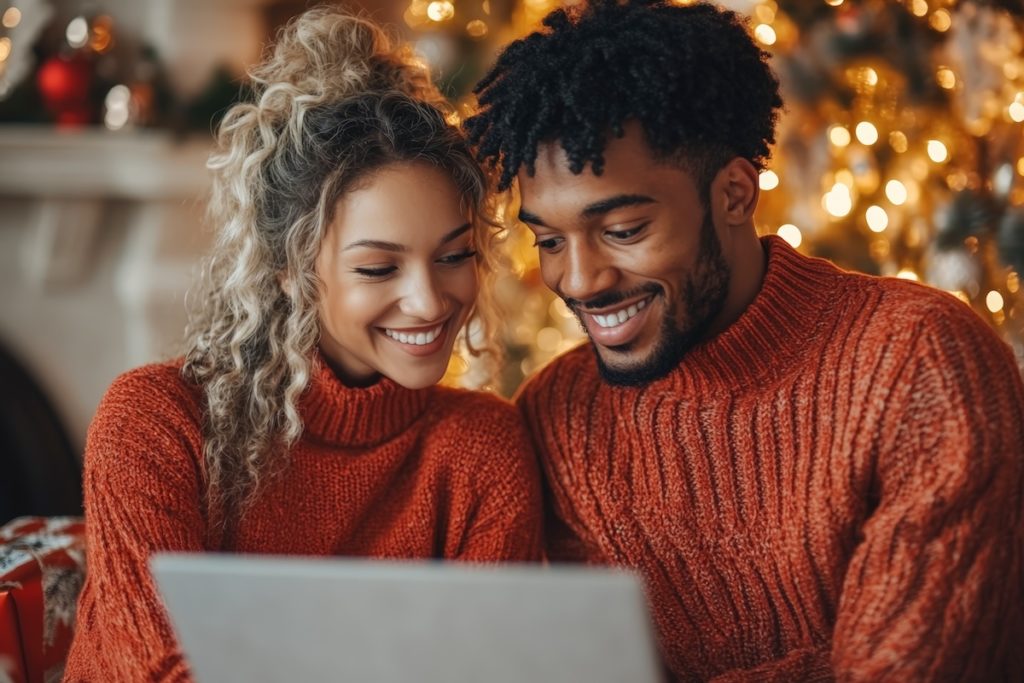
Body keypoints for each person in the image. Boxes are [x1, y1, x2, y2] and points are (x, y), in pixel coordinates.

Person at [465, 0, 1024, 680]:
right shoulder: (559, 420)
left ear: (734, 193)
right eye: (548, 240)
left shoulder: (921, 361)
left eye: (623, 231)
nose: (578, 279)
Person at [64, 8, 542, 682]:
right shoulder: (156, 421)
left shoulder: (480, 450)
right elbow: (162, 669)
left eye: (455, 255)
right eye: (379, 268)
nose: (432, 301)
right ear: (288, 270)